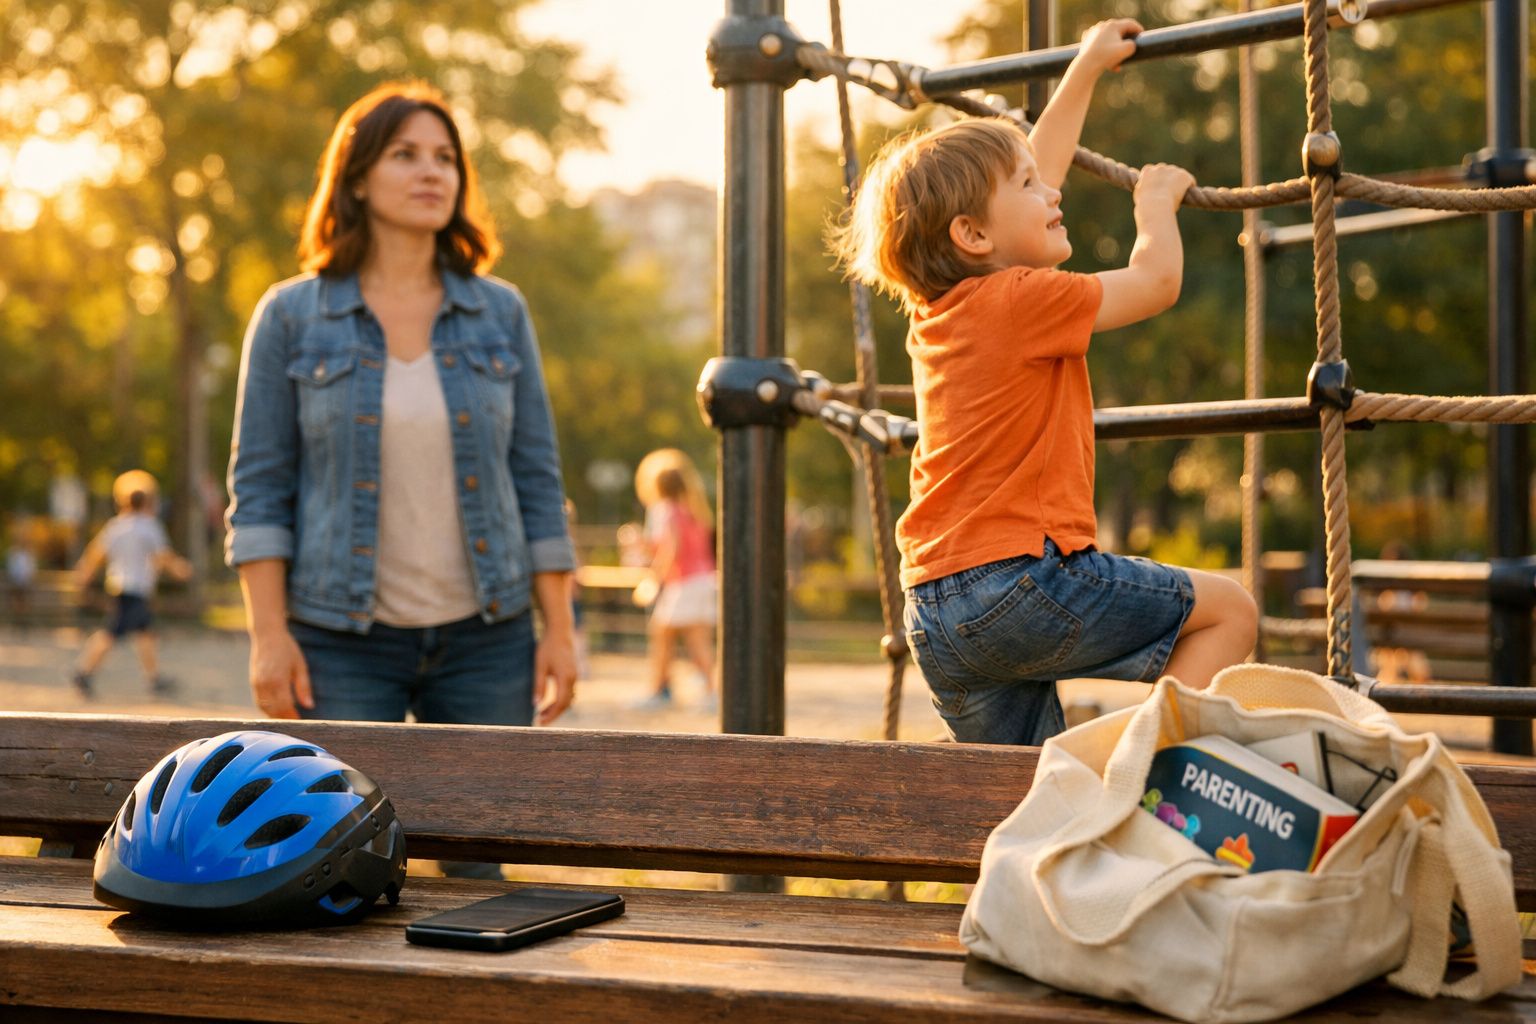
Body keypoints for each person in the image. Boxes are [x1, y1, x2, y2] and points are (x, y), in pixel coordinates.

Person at [829, 20, 1257, 747]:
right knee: (1232, 612)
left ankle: (1055, 815)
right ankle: (1121, 767)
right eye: (1028, 188)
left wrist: (1085, 69)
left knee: (1016, 801)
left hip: (936, 611)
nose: (1051, 192)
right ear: (973, 236)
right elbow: (1156, 282)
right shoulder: (1023, 300)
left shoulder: (945, 313)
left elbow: (1038, 169)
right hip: (1019, 585)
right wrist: (1154, 205)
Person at [224, 81, 579, 738]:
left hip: (489, 641)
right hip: (338, 643)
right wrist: (268, 636)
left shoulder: (500, 312)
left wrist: (559, 631)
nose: (431, 172)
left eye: (446, 158)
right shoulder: (291, 317)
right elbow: (260, 492)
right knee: (340, 841)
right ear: (355, 180)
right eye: (405, 154)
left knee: (477, 843)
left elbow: (537, 479)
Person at [70, 470, 193, 698]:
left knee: (144, 633)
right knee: (111, 633)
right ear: (147, 500)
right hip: (135, 589)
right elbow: (163, 557)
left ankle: (154, 678)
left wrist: (84, 575)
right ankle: (83, 672)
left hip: (119, 586)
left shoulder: (115, 526)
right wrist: (181, 570)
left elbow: (96, 553)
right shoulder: (149, 526)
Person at [631, 449, 717, 712]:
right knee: (694, 638)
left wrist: (656, 577)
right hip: (705, 579)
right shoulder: (694, 509)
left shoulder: (664, 510)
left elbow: (671, 547)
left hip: (684, 582)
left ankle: (663, 690)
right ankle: (676, 688)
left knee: (664, 633)